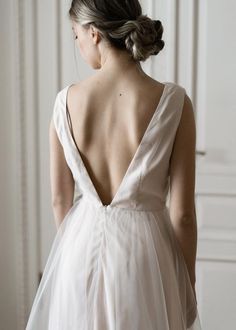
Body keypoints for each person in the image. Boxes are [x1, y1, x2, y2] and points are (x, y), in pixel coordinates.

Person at [25, 0, 203, 329]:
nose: (77, 45)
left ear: (94, 34)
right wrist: (186, 280)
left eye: (75, 36)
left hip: (80, 251)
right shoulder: (175, 102)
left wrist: (75, 249)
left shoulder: (65, 102)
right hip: (145, 254)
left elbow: (60, 200)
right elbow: (183, 214)